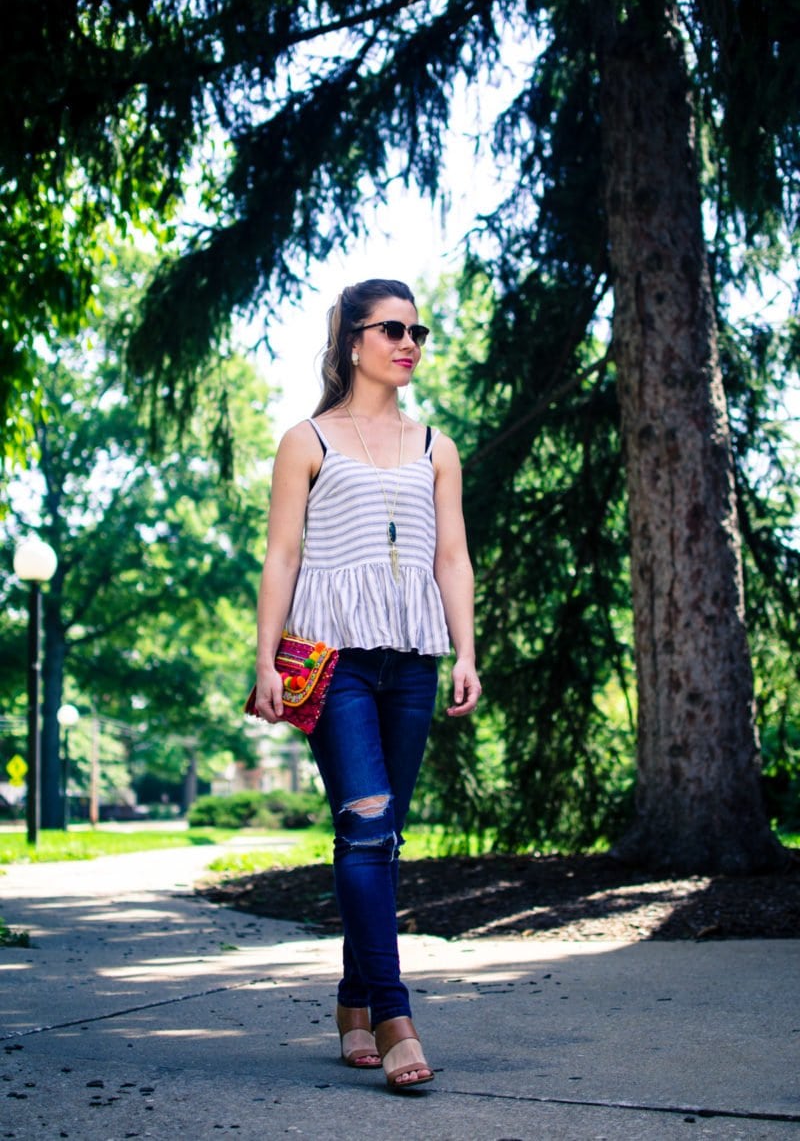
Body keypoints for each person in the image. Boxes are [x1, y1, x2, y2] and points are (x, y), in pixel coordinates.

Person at [253, 278, 480, 1091]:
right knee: (368, 825)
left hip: (412, 659)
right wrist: (264, 663)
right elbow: (282, 557)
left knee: (378, 838)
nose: (409, 341)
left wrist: (465, 652)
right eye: (393, 329)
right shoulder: (306, 439)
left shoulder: (434, 446)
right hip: (333, 659)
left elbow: (450, 557)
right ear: (353, 341)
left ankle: (352, 999)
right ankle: (392, 1014)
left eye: (418, 329)